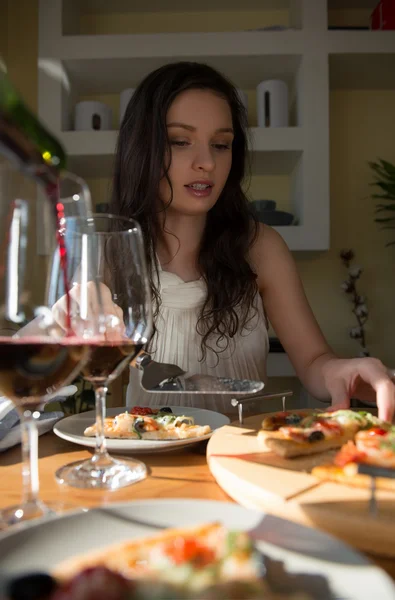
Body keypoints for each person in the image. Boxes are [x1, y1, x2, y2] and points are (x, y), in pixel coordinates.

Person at [109, 61, 394, 419]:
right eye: (180, 141)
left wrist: (343, 372)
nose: (207, 162)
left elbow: (315, 363)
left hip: (245, 456)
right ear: (142, 149)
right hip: (150, 466)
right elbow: (49, 377)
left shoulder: (261, 248)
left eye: (221, 144)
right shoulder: (113, 254)